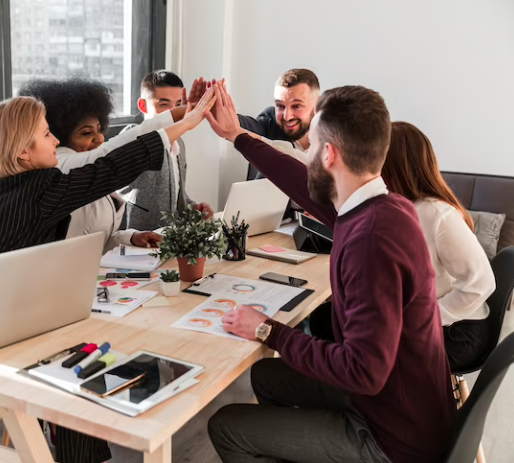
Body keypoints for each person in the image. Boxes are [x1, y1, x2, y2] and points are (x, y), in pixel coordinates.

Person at [0, 93, 214, 463]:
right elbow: (109, 168)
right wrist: (181, 126)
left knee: (78, 350)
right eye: (46, 135)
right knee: (74, 366)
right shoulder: (41, 187)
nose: (56, 142)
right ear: (23, 153)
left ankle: (84, 454)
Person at [204, 83, 456, 463]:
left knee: (226, 426)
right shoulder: (384, 206)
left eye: (312, 148)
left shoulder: (370, 240)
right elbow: (300, 184)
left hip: (394, 438)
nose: (306, 160)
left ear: (329, 155)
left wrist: (267, 330)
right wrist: (236, 135)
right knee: (265, 377)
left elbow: (363, 371)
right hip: (400, 402)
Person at [382, 122, 496, 370]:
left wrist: (422, 319)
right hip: (438, 322)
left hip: (459, 334)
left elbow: (483, 282)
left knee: (369, 355)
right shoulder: (402, 208)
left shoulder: (438, 214)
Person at [19, 77, 173, 253]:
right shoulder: (62, 164)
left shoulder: (90, 172)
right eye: (86, 133)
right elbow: (110, 153)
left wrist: (131, 237)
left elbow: (98, 237)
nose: (99, 139)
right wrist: (180, 118)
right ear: (59, 137)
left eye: (99, 129)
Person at [117, 70, 213, 231]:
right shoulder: (132, 138)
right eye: (164, 105)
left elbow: (176, 201)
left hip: (168, 241)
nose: (174, 112)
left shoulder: (179, 144)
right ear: (143, 106)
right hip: (134, 244)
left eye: (178, 105)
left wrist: (194, 209)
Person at [238, 68, 321, 174]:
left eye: (296, 106)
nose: (287, 117)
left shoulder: (336, 134)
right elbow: (250, 127)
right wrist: (226, 116)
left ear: (317, 104)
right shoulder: (270, 122)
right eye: (280, 106)